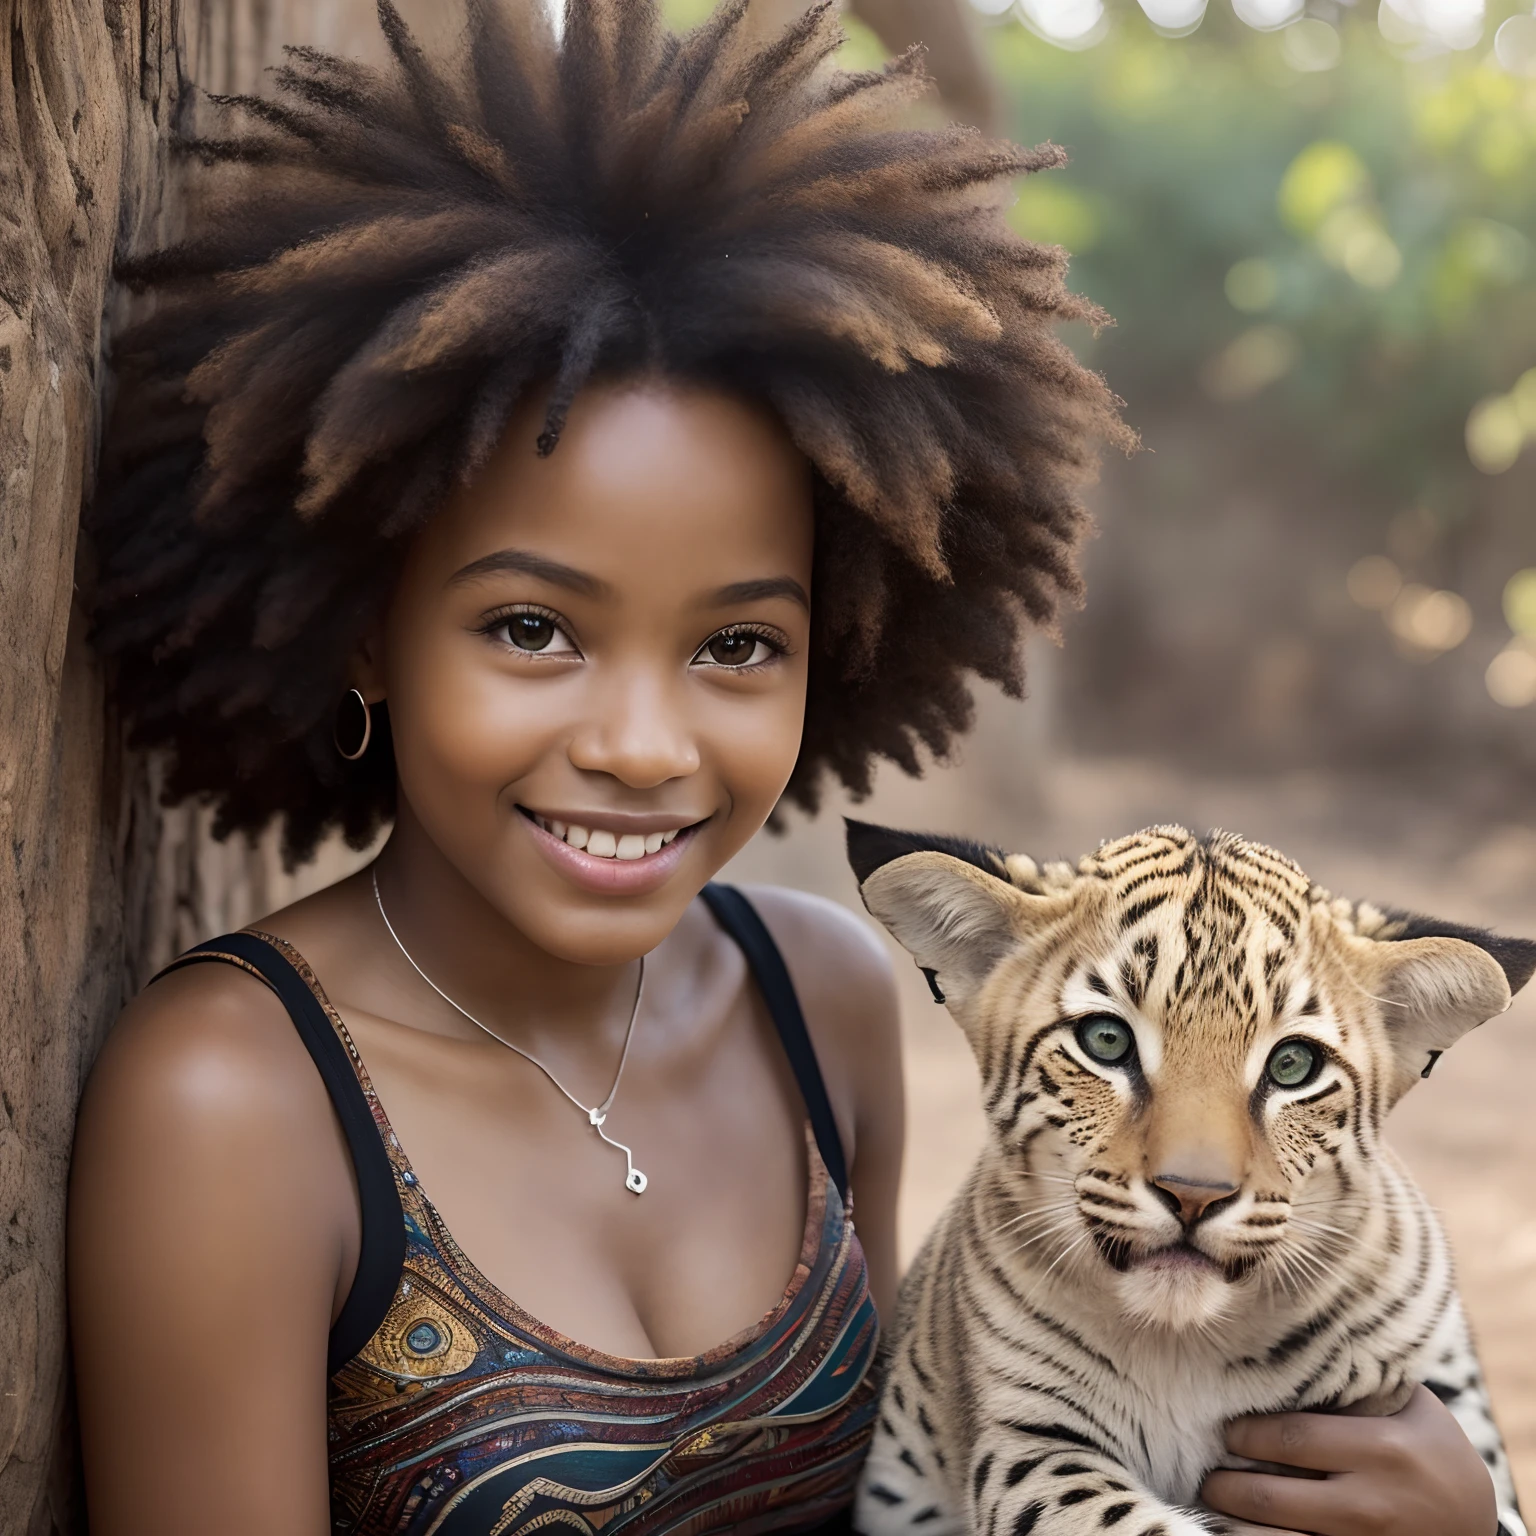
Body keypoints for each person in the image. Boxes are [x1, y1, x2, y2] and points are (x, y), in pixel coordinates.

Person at [65, 3, 1514, 1534]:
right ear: (362, 631)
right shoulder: (233, 1101)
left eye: (738, 647)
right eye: (534, 627)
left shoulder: (817, 1000)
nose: (641, 745)